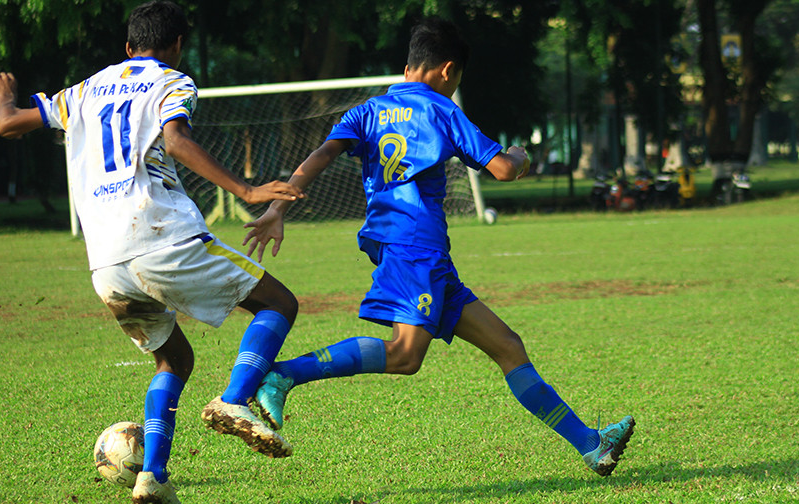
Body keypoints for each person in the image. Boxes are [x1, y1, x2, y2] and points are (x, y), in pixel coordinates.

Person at [244, 17, 634, 476]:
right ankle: (284, 375)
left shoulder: (367, 110)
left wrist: (278, 209)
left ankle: (590, 444)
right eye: (457, 80)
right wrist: (522, 156)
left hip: (414, 251)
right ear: (448, 70)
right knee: (406, 355)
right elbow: (503, 170)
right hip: (416, 246)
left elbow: (321, 156)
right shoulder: (442, 111)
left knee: (508, 345)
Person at [0, 0, 303, 504]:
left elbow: (7, 125)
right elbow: (175, 140)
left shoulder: (84, 90)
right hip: (163, 235)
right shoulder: (172, 82)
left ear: (128, 47)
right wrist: (245, 190)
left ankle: (153, 478)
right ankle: (236, 397)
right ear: (176, 46)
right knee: (279, 304)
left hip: (105, 262)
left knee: (174, 359)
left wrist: (3, 96)